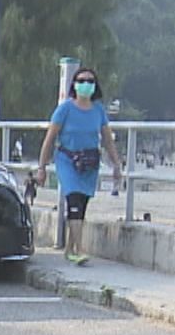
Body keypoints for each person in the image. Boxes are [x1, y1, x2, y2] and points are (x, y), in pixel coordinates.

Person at [35, 63, 122, 266]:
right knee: (73, 199)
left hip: (89, 162)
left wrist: (117, 164)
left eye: (90, 81)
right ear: (74, 84)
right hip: (67, 160)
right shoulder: (65, 109)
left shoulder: (98, 110)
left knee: (81, 204)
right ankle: (80, 249)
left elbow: (107, 139)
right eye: (81, 80)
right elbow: (50, 139)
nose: (86, 84)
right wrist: (42, 167)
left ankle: (70, 249)